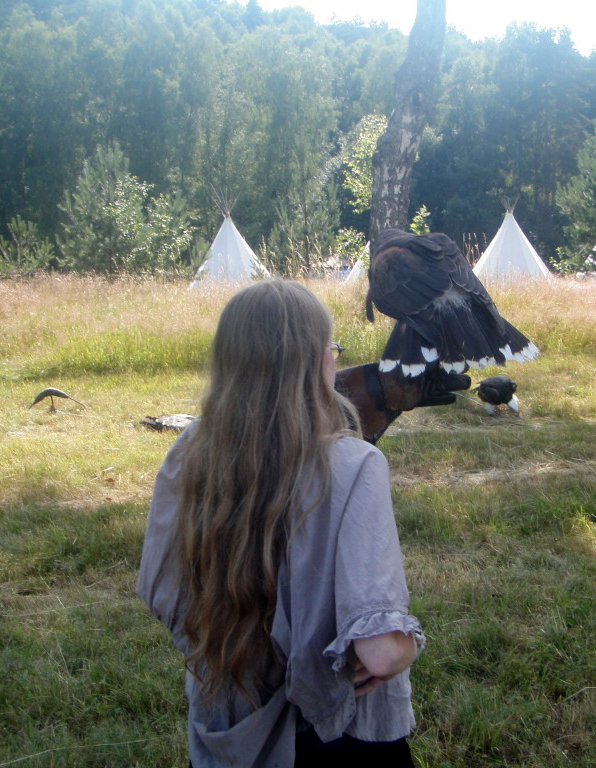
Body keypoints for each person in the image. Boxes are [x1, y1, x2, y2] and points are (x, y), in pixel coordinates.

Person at [137, 279, 423, 767]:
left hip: (229, 723)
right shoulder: (354, 466)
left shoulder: (190, 451)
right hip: (336, 737)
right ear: (317, 363)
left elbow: (160, 589)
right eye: (331, 348)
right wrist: (406, 648)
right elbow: (379, 653)